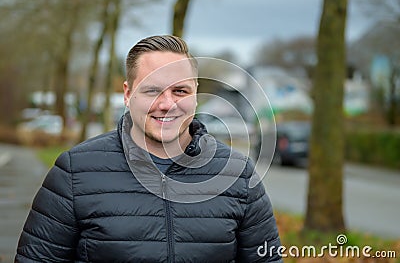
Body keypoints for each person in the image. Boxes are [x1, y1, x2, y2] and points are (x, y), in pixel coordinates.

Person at [15, 35, 283, 263]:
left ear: (196, 93)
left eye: (180, 91)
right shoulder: (75, 172)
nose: (167, 104)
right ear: (128, 93)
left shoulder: (237, 175)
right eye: (152, 90)